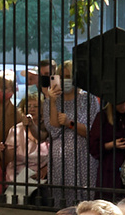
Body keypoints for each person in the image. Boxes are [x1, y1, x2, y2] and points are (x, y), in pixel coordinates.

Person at [38, 66, 100, 205]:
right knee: (62, 200)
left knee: (84, 200)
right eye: (62, 76)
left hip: (83, 159)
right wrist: (53, 101)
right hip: (60, 161)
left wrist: (69, 123)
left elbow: (93, 131)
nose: (66, 80)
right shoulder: (51, 101)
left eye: (68, 76)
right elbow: (53, 130)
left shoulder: (88, 99)